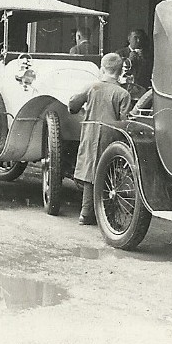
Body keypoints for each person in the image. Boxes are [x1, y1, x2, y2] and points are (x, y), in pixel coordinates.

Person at [68, 53, 132, 224]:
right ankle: (108, 218)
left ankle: (86, 213)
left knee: (90, 170)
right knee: (109, 174)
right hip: (111, 136)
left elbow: (73, 104)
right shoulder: (123, 94)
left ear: (102, 69)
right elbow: (124, 121)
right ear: (120, 72)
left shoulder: (92, 87)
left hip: (91, 133)